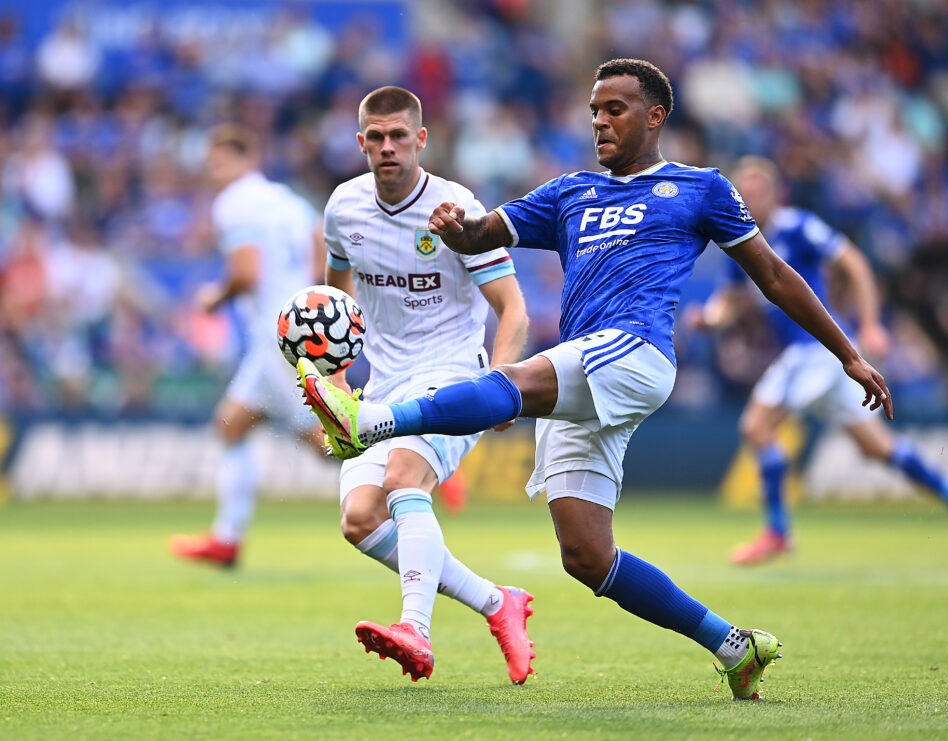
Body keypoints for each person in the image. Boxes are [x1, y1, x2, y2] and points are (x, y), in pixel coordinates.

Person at [298, 58, 894, 700]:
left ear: (655, 116)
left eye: (615, 109)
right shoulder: (569, 191)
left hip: (635, 352)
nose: (600, 122)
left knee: (518, 383)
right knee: (586, 558)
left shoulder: (700, 188)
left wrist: (848, 352)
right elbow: (486, 230)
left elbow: (773, 276)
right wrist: (457, 228)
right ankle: (734, 645)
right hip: (587, 364)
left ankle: (370, 421)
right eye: (594, 112)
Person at [313, 86, 534, 683]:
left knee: (404, 478)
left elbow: (514, 309)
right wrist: (333, 386)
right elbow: (333, 306)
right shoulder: (344, 208)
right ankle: (497, 602)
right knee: (360, 519)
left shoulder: (455, 208)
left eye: (398, 136)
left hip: (452, 375)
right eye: (376, 138)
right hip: (384, 383)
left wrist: (502, 382)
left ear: (421, 140)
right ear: (360, 143)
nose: (387, 147)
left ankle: (416, 628)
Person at [688, 156, 948, 565]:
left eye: (758, 190)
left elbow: (854, 262)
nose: (750, 198)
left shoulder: (797, 226)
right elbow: (731, 301)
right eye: (744, 191)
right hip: (820, 360)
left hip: (814, 350)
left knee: (756, 426)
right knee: (875, 447)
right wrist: (709, 318)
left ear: (777, 194)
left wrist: (869, 324)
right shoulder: (741, 242)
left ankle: (778, 533)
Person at [169, 124, 325, 567]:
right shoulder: (285, 199)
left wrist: (212, 299)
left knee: (325, 440)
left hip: (276, 335)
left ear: (244, 160)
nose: (213, 172)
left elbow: (246, 273)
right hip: (292, 324)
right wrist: (310, 294)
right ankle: (227, 539)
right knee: (232, 424)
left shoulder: (233, 204)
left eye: (219, 162)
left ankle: (406, 464)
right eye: (210, 164)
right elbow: (320, 240)